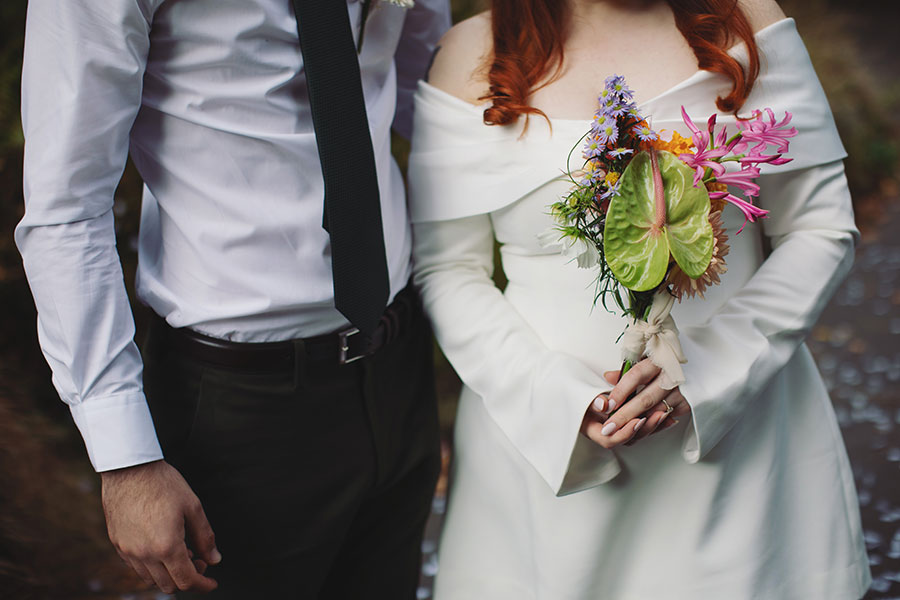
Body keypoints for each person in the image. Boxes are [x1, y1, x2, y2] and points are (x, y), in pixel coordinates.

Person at [408, 0, 871, 598]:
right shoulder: (471, 53)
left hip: (740, 457)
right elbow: (448, 267)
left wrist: (708, 368)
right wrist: (559, 401)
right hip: (541, 459)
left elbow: (819, 228)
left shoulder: (745, 21)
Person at [16, 0, 449, 597]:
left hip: (398, 362)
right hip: (239, 411)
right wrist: (126, 459)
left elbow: (424, 89)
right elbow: (66, 207)